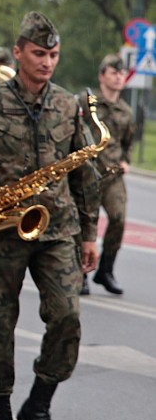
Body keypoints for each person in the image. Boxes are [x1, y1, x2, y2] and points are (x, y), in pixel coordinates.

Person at [0, 12, 99, 420]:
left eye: (53, 54)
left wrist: (89, 233)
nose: (47, 62)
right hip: (0, 230)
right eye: (38, 53)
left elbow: (85, 174)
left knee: (68, 316)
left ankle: (38, 407)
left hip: (58, 230)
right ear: (18, 52)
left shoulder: (69, 104)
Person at [79, 54, 134, 296]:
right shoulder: (87, 102)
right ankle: (80, 273)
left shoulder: (126, 112)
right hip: (89, 173)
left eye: (121, 74)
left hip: (113, 175)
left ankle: (106, 270)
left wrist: (126, 160)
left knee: (119, 218)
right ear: (102, 76)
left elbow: (128, 142)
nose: (119, 77)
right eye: (114, 72)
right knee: (84, 223)